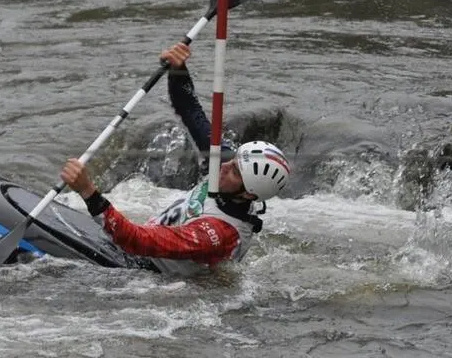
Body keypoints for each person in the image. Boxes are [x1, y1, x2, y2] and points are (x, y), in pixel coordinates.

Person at [60, 42, 291, 276]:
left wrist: (88, 191)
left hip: (145, 275)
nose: (224, 165)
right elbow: (191, 111)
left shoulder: (217, 234)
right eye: (234, 160)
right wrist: (179, 71)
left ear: (248, 194)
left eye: (234, 171)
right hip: (133, 247)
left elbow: (137, 240)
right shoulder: (226, 168)